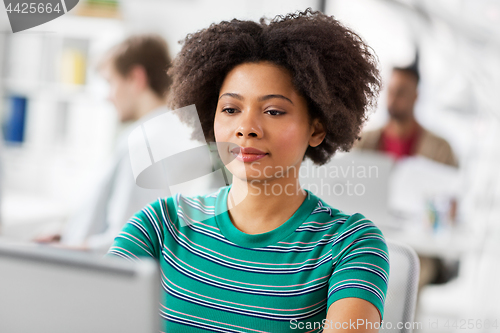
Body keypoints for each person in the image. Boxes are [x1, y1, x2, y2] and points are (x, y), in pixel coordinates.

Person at [108, 9, 389, 332]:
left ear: (317, 128)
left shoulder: (350, 245)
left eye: (273, 111)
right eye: (230, 109)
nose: (246, 128)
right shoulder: (158, 226)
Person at [36, 35, 174, 252]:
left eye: (110, 82)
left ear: (135, 78)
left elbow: (131, 242)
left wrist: (62, 250)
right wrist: (68, 234)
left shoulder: (142, 141)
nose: (108, 96)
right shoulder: (174, 131)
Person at [355, 61, 458, 167]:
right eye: (391, 91)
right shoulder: (362, 143)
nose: (393, 99)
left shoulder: (440, 150)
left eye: (401, 93)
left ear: (415, 96)